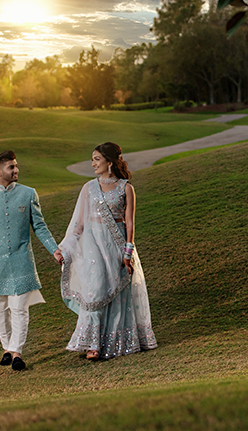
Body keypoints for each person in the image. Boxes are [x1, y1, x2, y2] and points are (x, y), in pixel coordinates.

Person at [56, 142, 157, 360]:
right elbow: (78, 225)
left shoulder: (126, 188)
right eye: (92, 159)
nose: (93, 163)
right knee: (95, 290)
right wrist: (64, 249)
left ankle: (116, 341)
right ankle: (92, 344)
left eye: (97, 159)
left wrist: (127, 254)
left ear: (109, 163)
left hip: (117, 246)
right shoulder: (88, 188)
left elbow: (130, 223)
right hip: (93, 247)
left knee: (118, 294)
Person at [0, 150, 62, 371]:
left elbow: (39, 225)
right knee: (0, 309)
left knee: (19, 309)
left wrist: (54, 250)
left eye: (16, 165)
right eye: (11, 167)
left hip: (22, 261)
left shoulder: (28, 193)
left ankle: (16, 352)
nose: (16, 170)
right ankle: (7, 349)